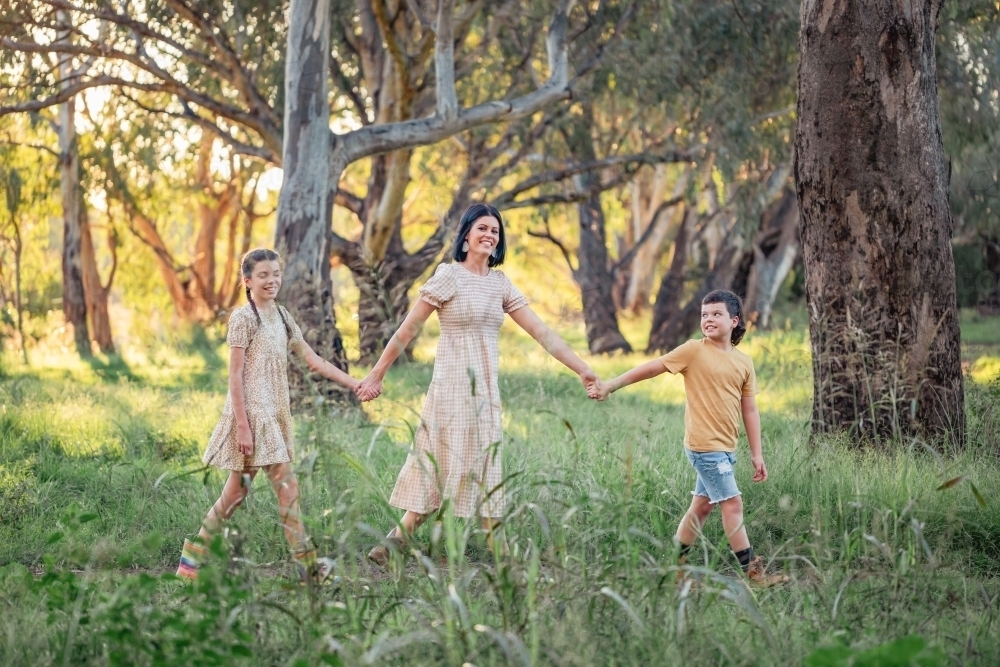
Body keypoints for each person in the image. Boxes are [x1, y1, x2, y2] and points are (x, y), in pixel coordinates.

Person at [356, 204, 598, 566]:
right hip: (451, 388)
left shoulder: (500, 284)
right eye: (482, 228)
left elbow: (542, 333)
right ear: (466, 235)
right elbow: (408, 329)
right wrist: (376, 373)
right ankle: (502, 558)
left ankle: (394, 543)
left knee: (480, 460)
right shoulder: (448, 276)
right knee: (444, 462)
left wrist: (583, 369)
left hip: (485, 391)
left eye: (495, 231)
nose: (489, 235)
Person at [176, 248, 359, 583]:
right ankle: (308, 568)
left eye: (276, 273)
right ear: (248, 281)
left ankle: (190, 563)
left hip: (276, 412)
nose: (272, 280)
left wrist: (356, 383)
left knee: (235, 493)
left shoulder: (283, 316)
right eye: (263, 275)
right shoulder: (243, 318)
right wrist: (243, 428)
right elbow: (234, 376)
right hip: (253, 414)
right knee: (287, 488)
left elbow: (313, 360)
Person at [588, 290, 787, 586]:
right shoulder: (693, 350)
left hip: (726, 446)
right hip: (704, 446)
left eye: (716, 314)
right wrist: (610, 385)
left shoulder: (744, 363)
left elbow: (750, 410)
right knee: (732, 505)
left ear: (734, 321)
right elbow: (651, 367)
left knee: (702, 506)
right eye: (705, 314)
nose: (708, 319)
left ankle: (673, 567)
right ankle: (754, 573)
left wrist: (757, 454)